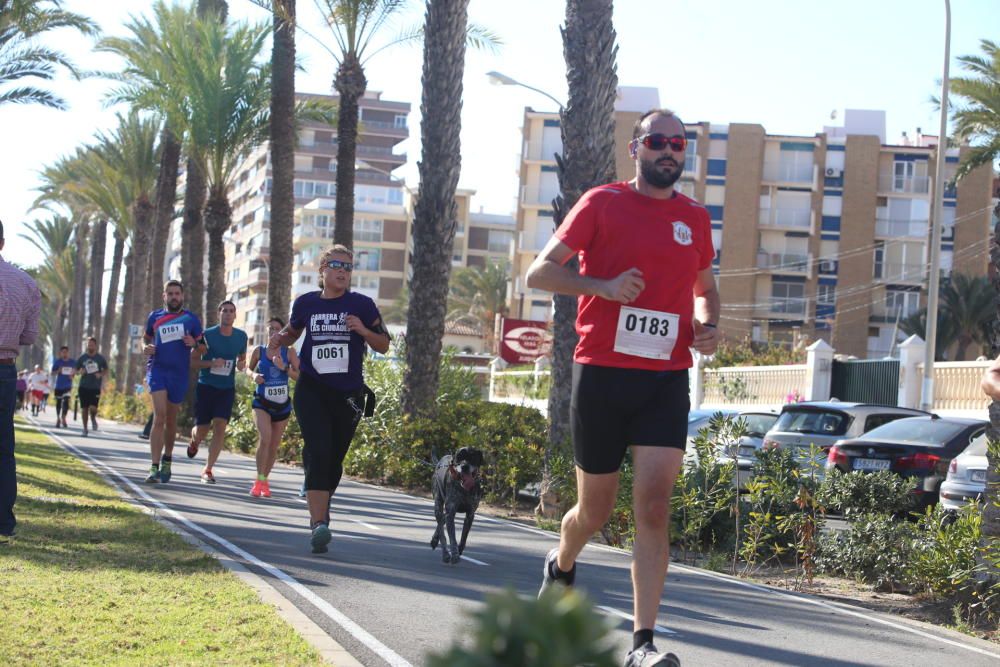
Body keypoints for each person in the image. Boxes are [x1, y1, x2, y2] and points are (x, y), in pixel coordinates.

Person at [525, 109, 720, 667]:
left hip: (665, 378)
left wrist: (707, 325)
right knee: (595, 511)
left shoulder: (695, 219)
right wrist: (602, 286)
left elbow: (706, 289)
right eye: (657, 141)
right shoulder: (601, 203)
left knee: (655, 507)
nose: (668, 151)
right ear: (636, 148)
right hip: (602, 375)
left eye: (677, 144)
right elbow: (541, 273)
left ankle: (643, 644)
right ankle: (562, 563)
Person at [267, 245, 389, 553]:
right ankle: (318, 524)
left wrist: (362, 329)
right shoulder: (306, 303)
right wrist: (279, 339)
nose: (343, 271)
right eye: (336, 265)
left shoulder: (363, 305)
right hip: (312, 388)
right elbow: (292, 333)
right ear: (322, 269)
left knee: (334, 460)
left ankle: (321, 507)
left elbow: (384, 344)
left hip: (348, 394)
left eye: (348, 267)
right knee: (319, 449)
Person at [0, 219, 42, 539]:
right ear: (3, 243)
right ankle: (4, 521)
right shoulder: (25, 283)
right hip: (5, 368)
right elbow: (29, 336)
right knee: (4, 447)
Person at [143, 280, 203, 484]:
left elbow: (203, 348)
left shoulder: (191, 319)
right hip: (157, 370)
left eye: (177, 293)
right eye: (170, 293)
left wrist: (194, 344)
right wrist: (146, 348)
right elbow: (146, 339)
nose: (174, 297)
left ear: (182, 296)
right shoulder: (155, 317)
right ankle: (153, 466)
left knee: (170, 419)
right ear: (164, 296)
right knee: (159, 416)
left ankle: (167, 458)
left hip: (179, 374)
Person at [185, 301, 247, 484]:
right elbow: (192, 361)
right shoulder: (207, 335)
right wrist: (211, 363)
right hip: (206, 386)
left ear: (235, 315)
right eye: (224, 311)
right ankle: (195, 441)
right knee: (202, 430)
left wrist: (242, 365)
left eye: (231, 311)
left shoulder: (241, 336)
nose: (227, 314)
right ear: (219, 314)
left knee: (220, 426)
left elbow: (242, 359)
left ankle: (208, 469)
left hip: (226, 388)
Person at [247, 317, 299, 498]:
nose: (273, 332)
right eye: (270, 329)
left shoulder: (289, 352)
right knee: (265, 438)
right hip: (262, 402)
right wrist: (253, 375)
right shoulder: (258, 351)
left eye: (277, 329)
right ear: (267, 332)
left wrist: (283, 367)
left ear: (283, 332)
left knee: (274, 444)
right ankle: (259, 480)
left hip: (282, 405)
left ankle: (263, 480)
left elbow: (298, 377)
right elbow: (247, 369)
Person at [75, 337, 108, 436]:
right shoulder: (82, 358)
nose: (90, 346)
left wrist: (100, 374)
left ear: (95, 346)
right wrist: (80, 372)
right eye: (89, 345)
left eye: (92, 345)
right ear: (87, 345)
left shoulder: (100, 358)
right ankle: (85, 429)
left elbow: (106, 369)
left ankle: (93, 418)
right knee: (84, 408)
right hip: (84, 386)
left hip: (95, 387)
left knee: (93, 408)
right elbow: (76, 370)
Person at [50, 346, 75, 428]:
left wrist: (72, 375)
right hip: (59, 385)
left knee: (66, 401)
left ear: (68, 352)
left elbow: (75, 371)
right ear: (60, 353)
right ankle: (58, 418)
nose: (64, 353)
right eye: (63, 352)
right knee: (59, 403)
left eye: (66, 352)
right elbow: (52, 373)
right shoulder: (58, 362)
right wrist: (58, 371)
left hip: (68, 385)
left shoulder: (72, 362)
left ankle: (63, 417)